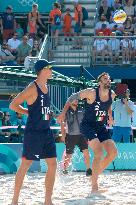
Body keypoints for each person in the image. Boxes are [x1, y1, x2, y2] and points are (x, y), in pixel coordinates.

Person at [58, 72, 117, 193]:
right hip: (87, 126)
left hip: (100, 126)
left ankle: (95, 174)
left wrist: (110, 116)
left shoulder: (112, 94)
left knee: (113, 152)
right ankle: (94, 187)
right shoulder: (91, 92)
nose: (108, 80)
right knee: (99, 152)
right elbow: (71, 98)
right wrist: (63, 113)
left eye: (109, 78)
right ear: (99, 82)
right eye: (105, 78)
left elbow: (108, 105)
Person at [10, 59, 57, 205]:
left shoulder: (46, 86)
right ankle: (14, 200)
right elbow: (13, 105)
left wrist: (50, 115)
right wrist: (27, 112)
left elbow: (42, 110)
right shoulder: (32, 87)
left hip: (46, 131)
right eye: (50, 67)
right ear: (42, 70)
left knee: (53, 164)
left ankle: (48, 201)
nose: (52, 70)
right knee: (25, 164)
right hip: (34, 133)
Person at [61, 100, 92, 176]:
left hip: (82, 135)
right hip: (70, 136)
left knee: (86, 153)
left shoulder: (82, 110)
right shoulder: (66, 111)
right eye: (74, 99)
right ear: (70, 101)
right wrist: (63, 135)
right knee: (68, 155)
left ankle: (88, 170)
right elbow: (62, 124)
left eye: (77, 100)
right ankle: (65, 170)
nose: (76, 101)